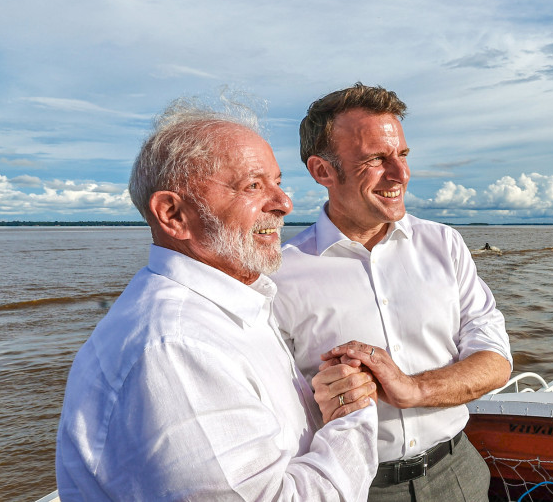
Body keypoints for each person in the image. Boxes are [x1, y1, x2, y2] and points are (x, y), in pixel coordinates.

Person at [55, 96, 380, 501]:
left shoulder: (230, 306)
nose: (284, 203)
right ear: (173, 215)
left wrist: (321, 399)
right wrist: (352, 416)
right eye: (253, 185)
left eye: (278, 182)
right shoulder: (177, 347)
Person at [269, 83, 513, 502]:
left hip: (458, 472)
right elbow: (266, 402)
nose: (400, 175)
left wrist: (414, 389)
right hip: (354, 487)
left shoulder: (445, 244)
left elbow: (496, 360)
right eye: (376, 160)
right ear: (323, 171)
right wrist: (321, 395)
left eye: (401, 155)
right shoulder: (276, 274)